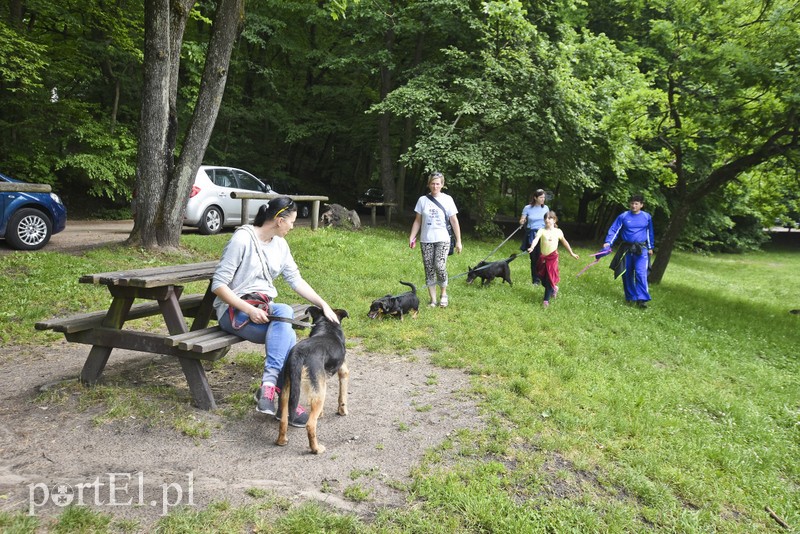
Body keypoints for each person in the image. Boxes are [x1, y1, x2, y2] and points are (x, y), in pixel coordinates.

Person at [211, 196, 339, 427]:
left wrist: (323, 304)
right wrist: (249, 309)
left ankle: (269, 390)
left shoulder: (280, 245)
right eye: (291, 221)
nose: (293, 226)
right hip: (234, 312)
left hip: (263, 311)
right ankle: (286, 405)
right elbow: (218, 285)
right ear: (279, 220)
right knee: (287, 332)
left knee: (285, 326)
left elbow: (295, 280)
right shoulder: (242, 239)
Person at [408, 172, 463, 308]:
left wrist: (458, 241)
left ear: (442, 185)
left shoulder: (448, 199)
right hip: (426, 240)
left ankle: (443, 294)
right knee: (429, 269)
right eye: (432, 183)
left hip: (443, 239)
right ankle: (432, 300)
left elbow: (454, 221)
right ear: (429, 184)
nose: (435, 186)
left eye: (438, 183)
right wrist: (412, 237)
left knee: (439, 266)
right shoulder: (422, 200)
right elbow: (417, 221)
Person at [602, 194, 655, 308]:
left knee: (641, 273)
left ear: (641, 205)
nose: (633, 205)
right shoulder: (623, 216)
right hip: (626, 249)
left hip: (641, 250)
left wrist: (650, 247)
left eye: (636, 203)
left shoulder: (647, 217)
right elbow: (614, 230)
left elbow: (649, 233)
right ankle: (631, 297)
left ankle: (642, 299)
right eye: (632, 203)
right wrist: (608, 242)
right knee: (626, 274)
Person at [527, 211, 579, 308]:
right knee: (541, 278)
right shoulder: (541, 230)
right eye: (546, 218)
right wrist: (532, 247)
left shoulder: (558, 231)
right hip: (543, 258)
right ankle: (554, 288)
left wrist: (571, 253)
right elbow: (536, 239)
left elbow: (565, 242)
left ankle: (546, 300)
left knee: (549, 278)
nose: (547, 220)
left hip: (553, 258)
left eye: (550, 218)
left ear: (554, 220)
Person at [519, 189, 549, 285]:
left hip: (543, 234)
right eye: (541, 197)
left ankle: (543, 277)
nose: (543, 199)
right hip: (531, 234)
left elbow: (548, 221)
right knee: (534, 258)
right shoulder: (527, 208)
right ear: (535, 198)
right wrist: (522, 221)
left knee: (542, 257)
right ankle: (535, 280)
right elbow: (522, 219)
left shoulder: (546, 208)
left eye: (544, 197)